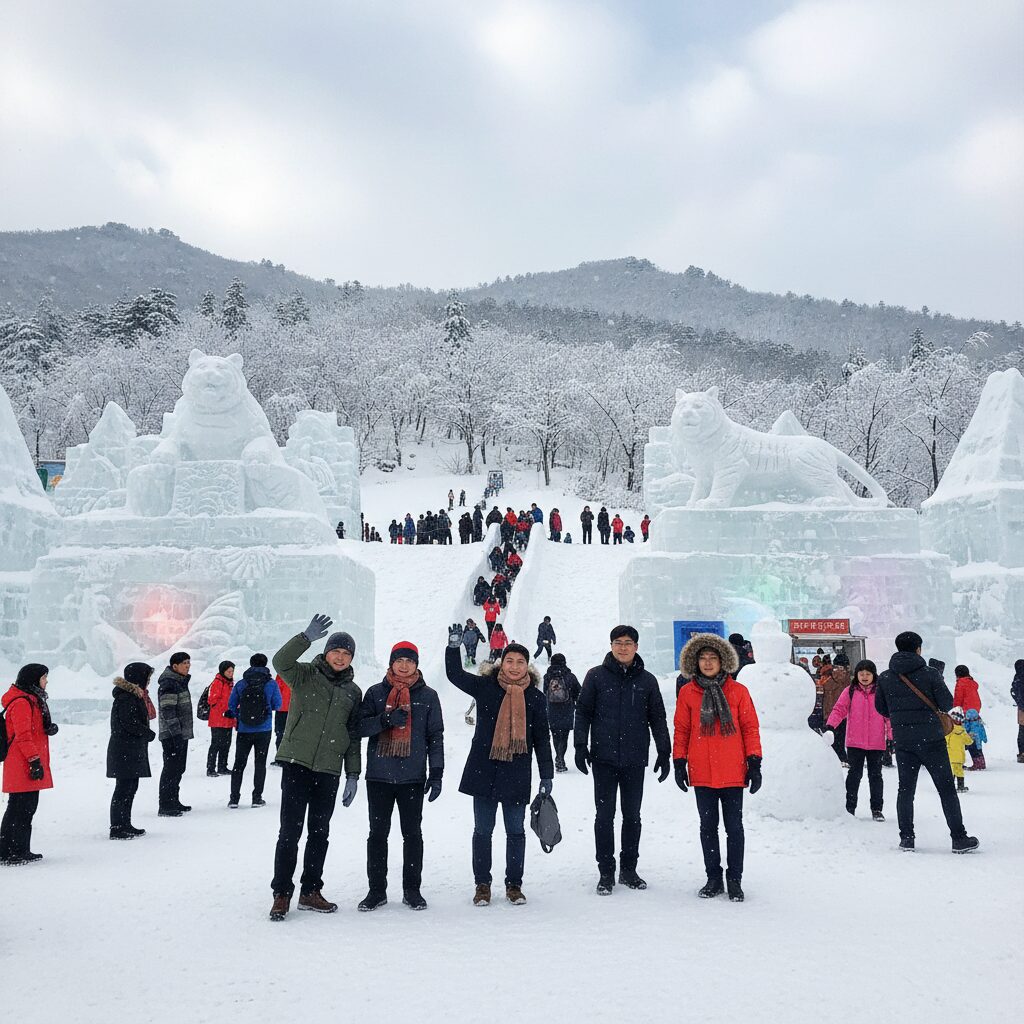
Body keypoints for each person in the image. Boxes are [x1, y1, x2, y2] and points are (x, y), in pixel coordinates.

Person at [444, 624, 553, 906]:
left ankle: (514, 885)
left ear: (528, 667)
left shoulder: (536, 698)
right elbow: (454, 675)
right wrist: (453, 647)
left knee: (515, 831)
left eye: (520, 662)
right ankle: (482, 885)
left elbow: (542, 737)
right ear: (501, 663)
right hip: (484, 769)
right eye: (509, 661)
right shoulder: (485, 687)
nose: (515, 667)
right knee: (483, 830)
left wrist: (546, 773)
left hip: (516, 771)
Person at [269, 615, 362, 921]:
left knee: (319, 833)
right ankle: (282, 894)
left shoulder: (353, 692)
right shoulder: (305, 674)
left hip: (329, 769)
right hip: (297, 763)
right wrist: (304, 638)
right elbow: (280, 661)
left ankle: (310, 891)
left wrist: (352, 773)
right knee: (289, 833)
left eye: (346, 654)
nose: (340, 657)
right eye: (336, 651)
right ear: (327, 652)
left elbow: (352, 735)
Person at [575, 625, 671, 895]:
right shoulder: (595, 677)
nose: (623, 647)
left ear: (636, 647)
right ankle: (606, 871)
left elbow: (658, 718)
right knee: (604, 816)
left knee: (632, 816)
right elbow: (583, 712)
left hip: (634, 759)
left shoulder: (648, 681)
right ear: (611, 645)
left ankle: (629, 869)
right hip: (603, 758)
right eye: (618, 642)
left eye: (628, 642)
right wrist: (580, 745)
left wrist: (664, 752)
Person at [672, 633, 762, 903]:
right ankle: (714, 877)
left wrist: (754, 762)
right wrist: (679, 762)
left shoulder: (738, 691)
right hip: (702, 773)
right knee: (708, 827)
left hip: (733, 772)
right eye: (703, 658)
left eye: (713, 658)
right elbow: (682, 730)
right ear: (694, 662)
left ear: (723, 661)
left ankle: (734, 879)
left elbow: (750, 728)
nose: (708, 663)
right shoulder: (688, 692)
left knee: (734, 827)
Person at [357, 641, 444, 911]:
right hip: (380, 776)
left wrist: (437, 771)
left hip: (412, 777)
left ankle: (412, 890)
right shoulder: (375, 693)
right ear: (392, 662)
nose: (404, 665)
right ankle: (376, 891)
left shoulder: (428, 696)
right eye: (399, 660)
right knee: (377, 834)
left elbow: (435, 736)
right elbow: (359, 727)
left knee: (412, 834)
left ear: (416, 665)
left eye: (409, 660)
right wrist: (385, 721)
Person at [875, 631, 979, 853]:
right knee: (946, 790)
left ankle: (907, 838)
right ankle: (958, 838)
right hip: (931, 739)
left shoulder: (885, 677)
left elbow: (881, 708)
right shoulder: (930, 674)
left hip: (903, 742)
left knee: (905, 790)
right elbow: (946, 703)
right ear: (918, 649)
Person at [1, 664, 58, 864]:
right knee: (20, 808)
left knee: (24, 807)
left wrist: (47, 728)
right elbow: (22, 737)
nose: (46, 681)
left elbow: (31, 730)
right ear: (33, 680)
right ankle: (11, 851)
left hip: (24, 761)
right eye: (44, 677)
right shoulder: (22, 702)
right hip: (22, 763)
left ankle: (17, 849)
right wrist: (34, 761)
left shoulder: (32, 700)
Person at [823, 660, 889, 821]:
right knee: (854, 775)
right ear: (856, 675)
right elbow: (839, 709)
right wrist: (830, 725)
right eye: (861, 674)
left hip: (876, 742)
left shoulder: (881, 692)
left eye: (868, 674)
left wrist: (892, 738)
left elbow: (888, 716)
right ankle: (850, 807)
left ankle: (876, 809)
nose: (864, 677)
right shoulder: (850, 691)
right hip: (855, 742)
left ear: (874, 675)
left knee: (875, 776)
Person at [107, 662, 157, 839]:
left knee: (130, 787)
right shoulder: (127, 697)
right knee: (124, 788)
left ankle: (124, 823)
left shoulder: (133, 696)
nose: (149, 680)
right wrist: (146, 733)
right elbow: (129, 723)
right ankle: (118, 827)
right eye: (147, 677)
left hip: (130, 749)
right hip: (124, 750)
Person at [227, 654, 282, 809]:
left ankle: (234, 799)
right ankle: (257, 798)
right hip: (264, 729)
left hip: (244, 729)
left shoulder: (242, 683)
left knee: (239, 763)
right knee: (260, 764)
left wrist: (241, 715)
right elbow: (278, 704)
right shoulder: (271, 683)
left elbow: (232, 704)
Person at [157, 652, 193, 817]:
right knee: (171, 768)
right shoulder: (169, 683)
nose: (188, 665)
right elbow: (168, 710)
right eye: (184, 663)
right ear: (175, 666)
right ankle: (165, 804)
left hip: (180, 734)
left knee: (178, 767)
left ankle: (173, 800)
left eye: (188, 662)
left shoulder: (179, 682)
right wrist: (176, 733)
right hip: (172, 735)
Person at [543, 653, 580, 773]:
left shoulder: (547, 677)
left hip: (552, 710)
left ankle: (558, 757)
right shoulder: (570, 676)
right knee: (564, 736)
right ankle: (560, 759)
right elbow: (578, 692)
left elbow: (545, 692)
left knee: (555, 735)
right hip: (567, 709)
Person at [205, 661, 235, 777]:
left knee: (226, 744)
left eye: (232, 671)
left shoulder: (230, 683)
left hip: (227, 719)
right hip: (218, 720)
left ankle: (222, 766)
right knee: (216, 744)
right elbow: (212, 700)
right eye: (229, 671)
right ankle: (211, 768)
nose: (231, 673)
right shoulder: (218, 682)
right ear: (223, 671)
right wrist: (224, 711)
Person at [819, 656, 848, 765]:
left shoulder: (827, 678)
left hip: (830, 713)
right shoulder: (849, 678)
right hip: (844, 713)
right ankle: (843, 758)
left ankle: (834, 760)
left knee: (831, 739)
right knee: (842, 738)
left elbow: (821, 692)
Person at [945, 708, 974, 793]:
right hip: (959, 757)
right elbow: (969, 742)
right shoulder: (962, 732)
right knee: (959, 772)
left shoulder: (948, 730)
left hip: (949, 756)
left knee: (951, 772)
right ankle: (960, 786)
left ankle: (949, 787)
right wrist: (971, 737)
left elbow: (944, 741)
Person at [274, 674, 291, 753]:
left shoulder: (280, 675)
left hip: (281, 709)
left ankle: (280, 756)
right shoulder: (295, 673)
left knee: (280, 733)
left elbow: (276, 690)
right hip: (292, 708)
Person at [1012, 660, 1024, 764]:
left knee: (1022, 732)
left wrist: (1019, 703)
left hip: (1022, 709)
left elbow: (1013, 691)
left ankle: (1022, 754)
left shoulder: (1018, 678)